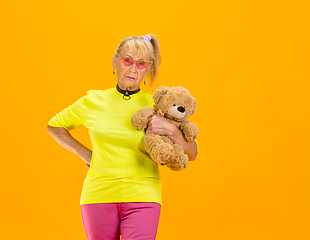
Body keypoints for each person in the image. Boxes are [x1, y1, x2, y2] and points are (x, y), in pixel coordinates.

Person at [47, 34, 198, 240]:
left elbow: (192, 152)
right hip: (98, 194)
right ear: (115, 61)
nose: (133, 69)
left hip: (143, 195)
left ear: (148, 69)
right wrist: (85, 153)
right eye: (127, 60)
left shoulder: (157, 106)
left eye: (142, 63)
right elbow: (55, 125)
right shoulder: (93, 101)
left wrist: (170, 130)